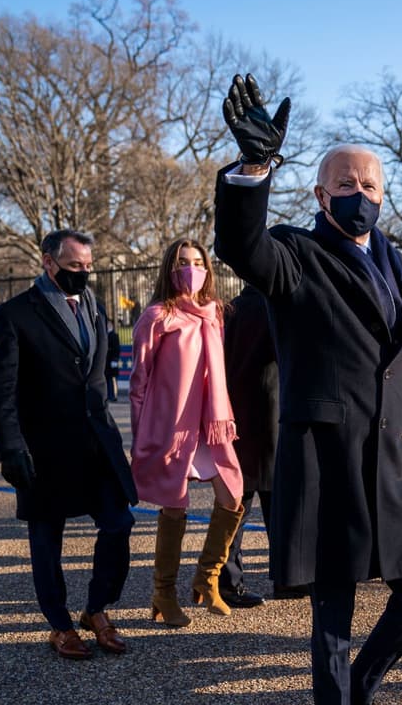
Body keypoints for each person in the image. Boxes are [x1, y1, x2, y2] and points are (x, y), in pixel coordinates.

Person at [213, 74, 402, 705]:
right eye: (345, 184)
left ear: (384, 193)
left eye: (368, 184)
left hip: (390, 460)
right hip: (324, 456)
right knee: (333, 616)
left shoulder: (399, 263)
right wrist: (254, 167)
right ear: (321, 194)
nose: (358, 194)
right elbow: (243, 246)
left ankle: (358, 689)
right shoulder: (295, 253)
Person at [0, 229, 138, 661]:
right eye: (74, 267)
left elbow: (95, 371)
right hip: (43, 451)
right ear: (48, 262)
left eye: (88, 266)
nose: (83, 274)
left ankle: (96, 608)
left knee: (119, 524)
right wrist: (10, 447)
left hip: (95, 445)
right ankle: (60, 624)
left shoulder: (93, 305)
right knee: (46, 541)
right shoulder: (14, 315)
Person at [128, 238, 246, 628]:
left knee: (232, 496)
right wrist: (141, 435)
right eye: (182, 262)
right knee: (175, 507)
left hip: (212, 423)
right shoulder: (157, 316)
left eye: (197, 262)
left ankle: (207, 578)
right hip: (172, 425)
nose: (191, 269)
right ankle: (163, 594)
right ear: (169, 268)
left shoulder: (215, 313)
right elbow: (139, 380)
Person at [218, 284, 288, 606]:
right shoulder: (276, 307)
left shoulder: (230, 309)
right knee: (280, 506)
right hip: (272, 413)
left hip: (235, 415)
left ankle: (228, 581)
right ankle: (288, 579)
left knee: (237, 505)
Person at [105, 315, 120, 402]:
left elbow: (117, 349)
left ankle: (113, 395)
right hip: (106, 361)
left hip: (112, 360)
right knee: (107, 379)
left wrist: (115, 359)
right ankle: (108, 395)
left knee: (112, 379)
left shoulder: (114, 335)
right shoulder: (105, 334)